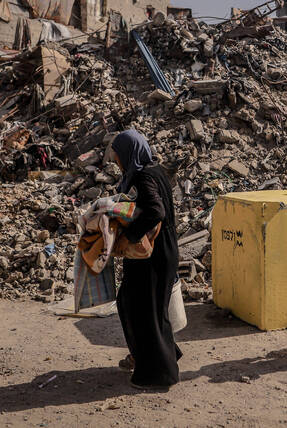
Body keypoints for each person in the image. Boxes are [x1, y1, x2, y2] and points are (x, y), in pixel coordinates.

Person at [108, 129, 182, 390]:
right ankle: (149, 356)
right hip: (159, 251)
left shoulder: (143, 176)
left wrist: (129, 236)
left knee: (149, 312)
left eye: (118, 155)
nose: (116, 161)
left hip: (153, 255)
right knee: (132, 303)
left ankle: (159, 375)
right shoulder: (154, 171)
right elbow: (142, 207)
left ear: (129, 153)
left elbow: (155, 211)